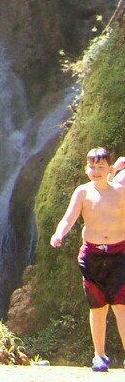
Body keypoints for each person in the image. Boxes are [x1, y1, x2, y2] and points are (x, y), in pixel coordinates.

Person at [50, 147, 125, 370]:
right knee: (97, 307)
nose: (96, 171)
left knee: (121, 306)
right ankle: (99, 356)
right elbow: (69, 218)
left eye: (101, 167)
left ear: (109, 169)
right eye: (92, 167)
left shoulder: (120, 192)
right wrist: (59, 233)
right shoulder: (82, 192)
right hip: (91, 255)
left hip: (118, 253)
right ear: (86, 169)